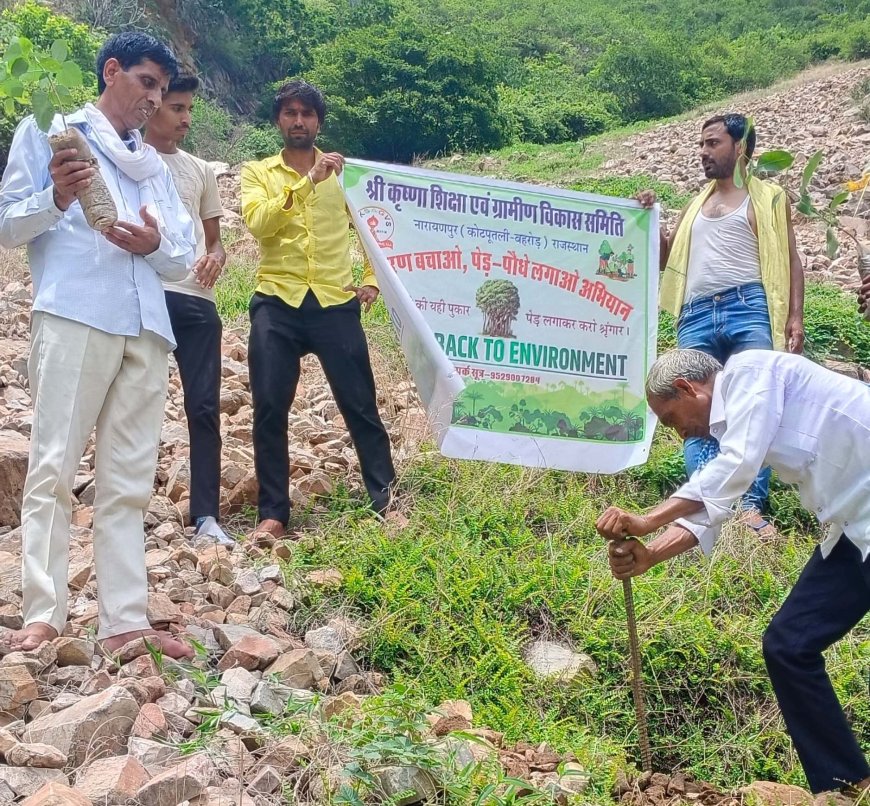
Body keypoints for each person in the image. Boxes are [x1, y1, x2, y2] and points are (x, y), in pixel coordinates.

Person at [0, 33, 197, 658]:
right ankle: (43, 615)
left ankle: (124, 622)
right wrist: (58, 197)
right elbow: (7, 224)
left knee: (129, 481)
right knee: (53, 467)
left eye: (162, 90)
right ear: (112, 71)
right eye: (146, 82)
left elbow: (183, 253)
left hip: (146, 326)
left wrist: (153, 245)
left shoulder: (153, 167)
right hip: (76, 312)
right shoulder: (54, 133)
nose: (154, 99)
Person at [597, 348, 870, 797]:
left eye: (671, 419)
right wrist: (651, 555)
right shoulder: (744, 422)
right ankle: (848, 786)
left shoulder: (751, 373)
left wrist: (648, 520)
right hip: (854, 528)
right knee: (788, 644)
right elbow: (717, 503)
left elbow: (735, 468)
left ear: (687, 388)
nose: (679, 432)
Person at [240, 79, 395, 543]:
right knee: (270, 407)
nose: (298, 121)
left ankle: (386, 500)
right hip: (277, 301)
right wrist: (309, 183)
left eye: (307, 113)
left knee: (360, 403)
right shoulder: (258, 173)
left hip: (334, 302)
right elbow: (259, 224)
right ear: (278, 121)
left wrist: (371, 279)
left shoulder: (346, 175)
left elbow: (373, 230)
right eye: (290, 113)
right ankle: (273, 514)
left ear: (318, 122)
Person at [641, 114, 805, 537]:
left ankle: (749, 509)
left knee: (752, 408)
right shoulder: (696, 204)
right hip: (695, 313)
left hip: (748, 307)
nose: (703, 152)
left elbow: (790, 259)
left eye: (713, 143)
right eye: (701, 144)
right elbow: (665, 258)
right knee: (690, 412)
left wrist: (795, 316)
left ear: (741, 147)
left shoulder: (769, 198)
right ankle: (705, 508)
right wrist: (649, 219)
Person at [143, 73, 234, 548]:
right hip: (145, 293)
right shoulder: (128, 159)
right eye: (177, 108)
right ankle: (128, 508)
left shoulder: (199, 170)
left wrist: (216, 257)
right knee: (137, 402)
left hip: (196, 297)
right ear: (153, 104)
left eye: (189, 110)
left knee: (203, 406)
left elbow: (215, 241)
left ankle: (206, 516)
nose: (185, 118)